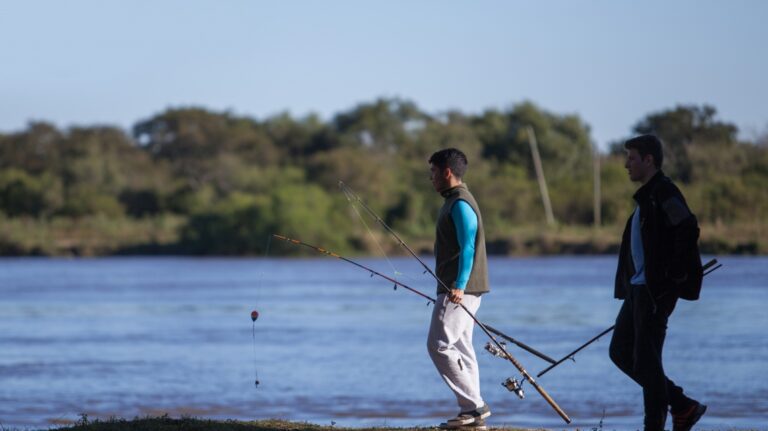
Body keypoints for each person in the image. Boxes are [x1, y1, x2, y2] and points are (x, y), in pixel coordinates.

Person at [609, 135, 707, 431]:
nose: (626, 164)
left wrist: (672, 279)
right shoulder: (646, 196)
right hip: (638, 291)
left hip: (654, 293)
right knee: (622, 353)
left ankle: (656, 424)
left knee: (647, 363)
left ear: (649, 160)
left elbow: (687, 227)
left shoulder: (663, 191)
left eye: (632, 158)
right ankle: (682, 404)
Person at [426, 148, 491, 430]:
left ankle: (473, 406)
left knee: (438, 344)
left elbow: (468, 246)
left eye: (433, 172)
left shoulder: (461, 203)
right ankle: (472, 412)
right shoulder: (454, 200)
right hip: (462, 288)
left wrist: (459, 285)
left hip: (459, 289)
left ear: (446, 172)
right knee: (462, 346)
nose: (431, 178)